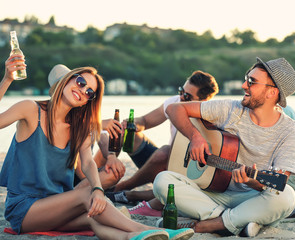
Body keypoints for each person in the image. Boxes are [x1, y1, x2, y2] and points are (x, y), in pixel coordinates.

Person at [0, 54, 194, 240]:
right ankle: (149, 230)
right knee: (88, 194)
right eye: (81, 82)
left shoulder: (79, 126)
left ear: (88, 101)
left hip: (59, 204)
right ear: (68, 79)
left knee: (93, 217)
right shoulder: (31, 110)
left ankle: (135, 236)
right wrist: (7, 79)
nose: (83, 90)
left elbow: (87, 164)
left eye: (89, 92)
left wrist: (99, 189)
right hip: (24, 210)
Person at [152, 57, 295, 237]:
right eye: (247, 79)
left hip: (253, 199)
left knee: (287, 196)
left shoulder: (291, 130)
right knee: (162, 181)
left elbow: (278, 181)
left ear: (272, 92)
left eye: (252, 82)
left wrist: (250, 181)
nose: (243, 85)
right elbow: (174, 109)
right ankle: (232, 222)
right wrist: (195, 137)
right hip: (212, 194)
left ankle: (210, 222)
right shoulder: (230, 108)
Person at [106, 71, 219, 205]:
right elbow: (146, 121)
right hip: (163, 163)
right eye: (181, 91)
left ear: (204, 101)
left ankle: (123, 189)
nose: (181, 97)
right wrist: (134, 124)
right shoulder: (175, 102)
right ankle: (103, 175)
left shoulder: (211, 118)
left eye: (187, 96)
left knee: (165, 152)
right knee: (126, 132)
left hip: (184, 173)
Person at [46, 64, 125, 191]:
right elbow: (80, 169)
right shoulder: (52, 117)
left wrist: (111, 157)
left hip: (87, 167)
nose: (80, 90)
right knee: (104, 175)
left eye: (86, 89)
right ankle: (84, 193)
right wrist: (94, 124)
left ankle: (93, 188)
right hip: (72, 176)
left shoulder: (83, 115)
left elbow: (102, 138)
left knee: (117, 138)